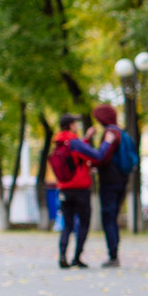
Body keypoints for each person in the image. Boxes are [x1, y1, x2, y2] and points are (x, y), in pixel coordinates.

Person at [89, 104, 129, 268]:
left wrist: (94, 164)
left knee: (109, 217)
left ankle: (113, 255)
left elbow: (103, 157)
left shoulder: (110, 133)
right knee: (113, 216)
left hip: (110, 181)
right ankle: (114, 253)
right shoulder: (120, 131)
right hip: (121, 179)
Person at [53, 114, 95, 269]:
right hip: (81, 189)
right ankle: (77, 257)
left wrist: (87, 137)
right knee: (84, 223)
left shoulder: (58, 143)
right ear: (71, 125)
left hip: (64, 189)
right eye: (75, 123)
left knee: (67, 225)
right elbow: (94, 155)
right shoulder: (74, 142)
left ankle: (63, 255)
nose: (77, 125)